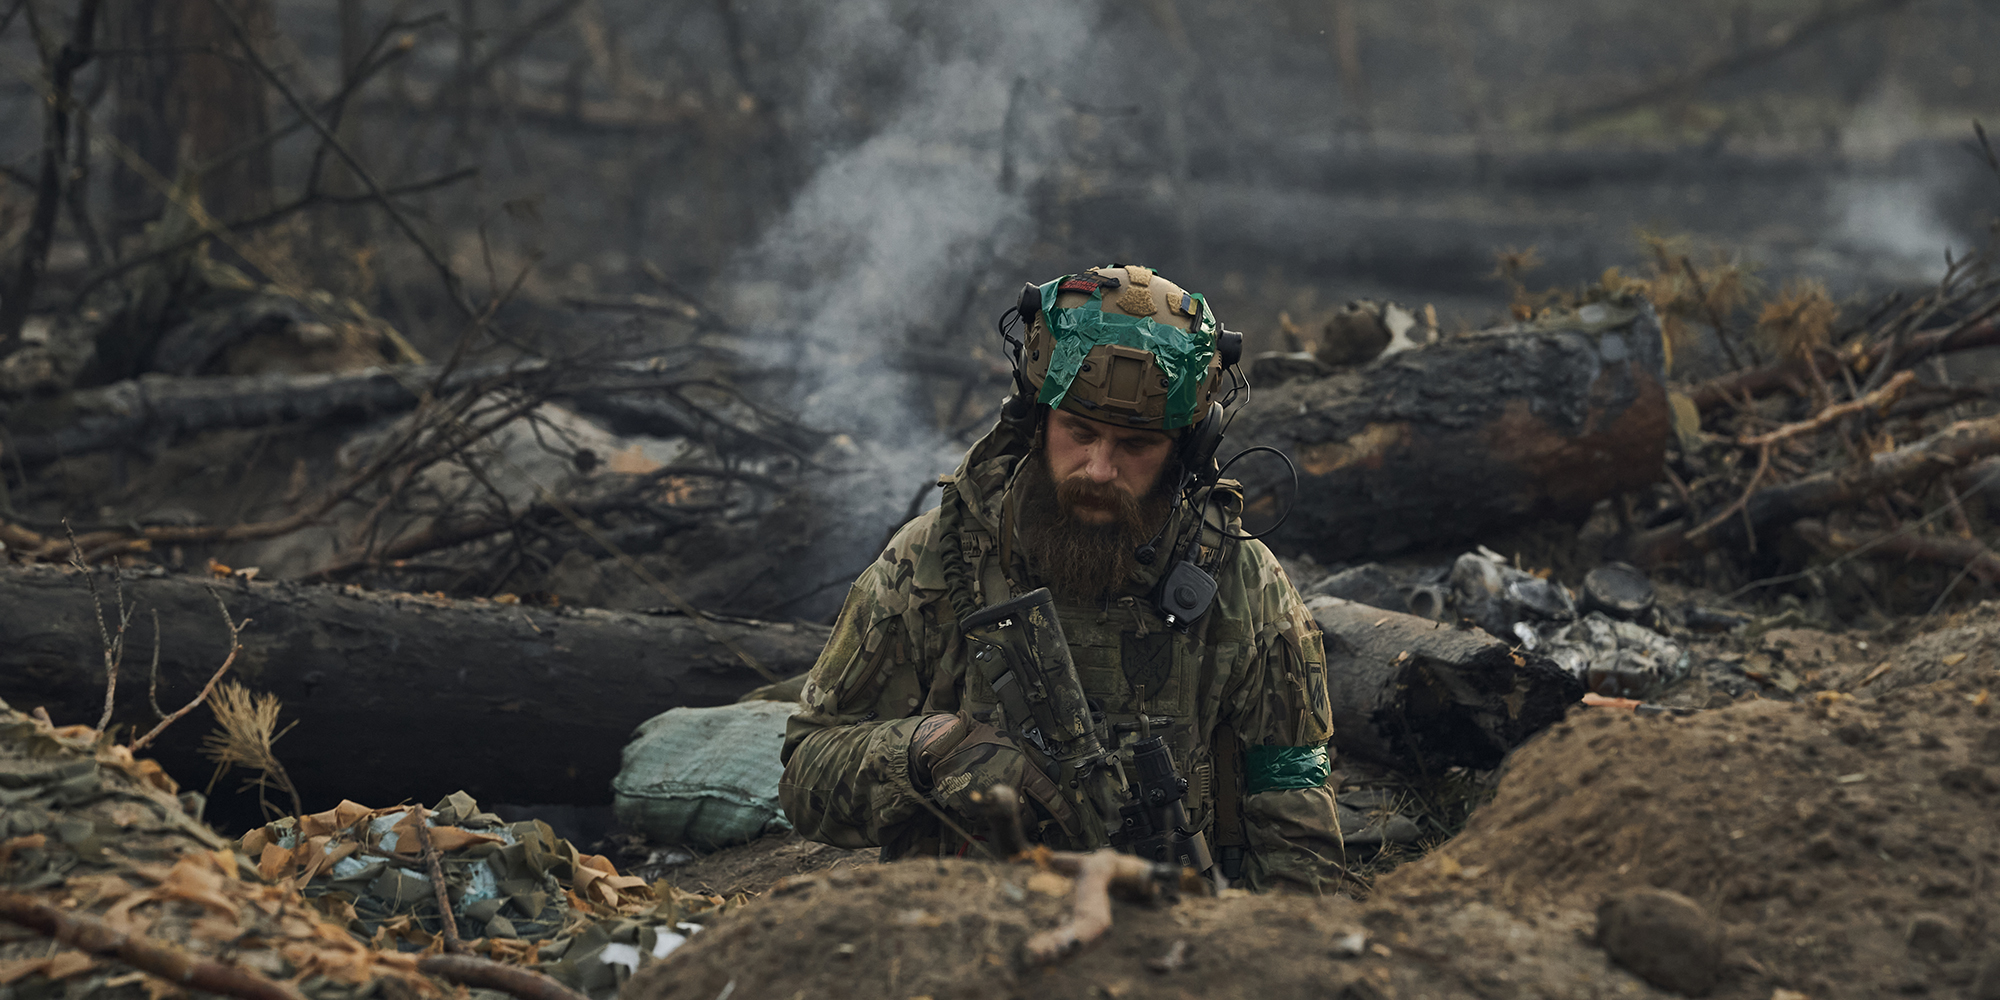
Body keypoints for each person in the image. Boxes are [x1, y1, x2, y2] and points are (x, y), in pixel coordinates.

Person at [778, 264, 1344, 890]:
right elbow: (806, 773)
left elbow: (1296, 820)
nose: (1099, 469)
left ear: (1186, 448)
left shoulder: (1241, 583)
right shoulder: (934, 560)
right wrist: (927, 749)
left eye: (1135, 445)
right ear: (1036, 417)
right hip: (957, 925)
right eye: (1080, 432)